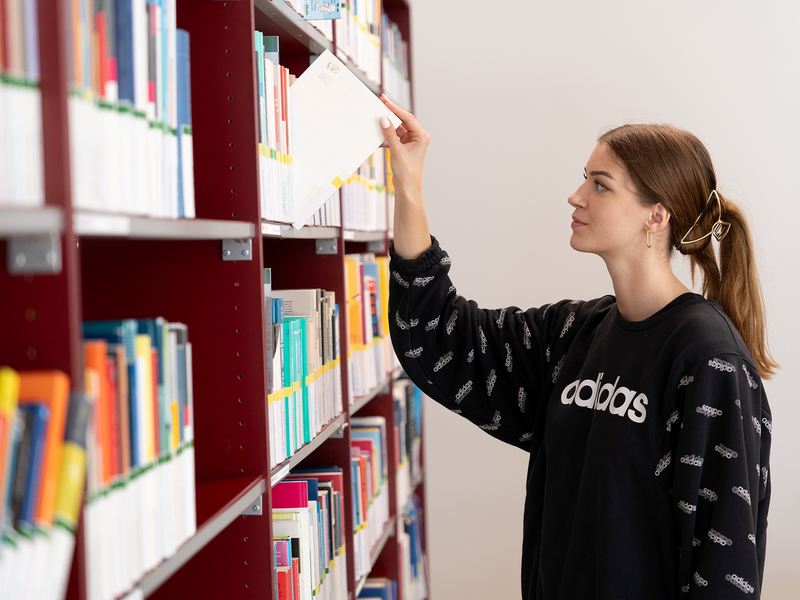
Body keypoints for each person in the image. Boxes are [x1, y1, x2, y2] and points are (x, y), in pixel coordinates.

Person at [377, 96, 775, 599]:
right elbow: (441, 339)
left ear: (656, 216)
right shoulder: (573, 333)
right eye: (584, 177)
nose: (575, 195)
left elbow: (724, 564)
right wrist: (408, 186)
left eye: (600, 184)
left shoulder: (707, 358)